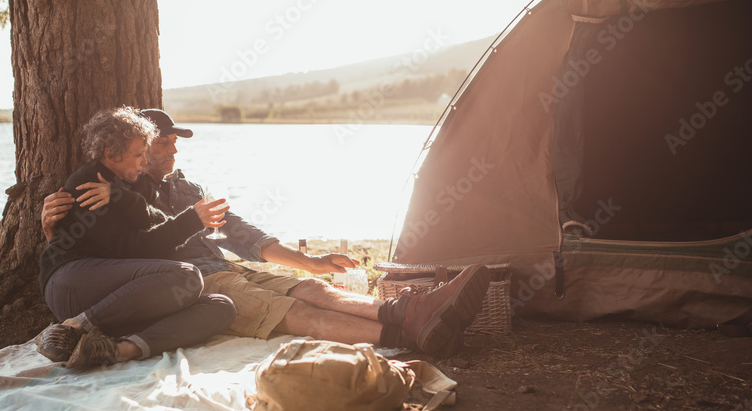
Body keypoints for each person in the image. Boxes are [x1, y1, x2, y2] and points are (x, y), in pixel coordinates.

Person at [42, 109, 492, 355]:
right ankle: (409, 335)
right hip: (198, 281)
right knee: (282, 309)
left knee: (309, 286)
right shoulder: (122, 186)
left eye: (172, 140)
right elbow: (118, 245)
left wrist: (313, 261)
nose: (172, 147)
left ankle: (405, 311)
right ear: (134, 149)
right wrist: (52, 227)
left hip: (223, 266)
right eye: (162, 142)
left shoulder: (187, 187)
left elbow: (243, 235)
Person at [35, 106, 236, 370]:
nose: (144, 162)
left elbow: (156, 222)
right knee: (187, 276)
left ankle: (116, 350)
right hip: (72, 283)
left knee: (221, 306)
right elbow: (132, 249)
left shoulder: (133, 185)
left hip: (122, 297)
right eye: (138, 154)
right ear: (111, 155)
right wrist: (192, 220)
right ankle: (73, 326)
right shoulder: (88, 184)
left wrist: (122, 197)